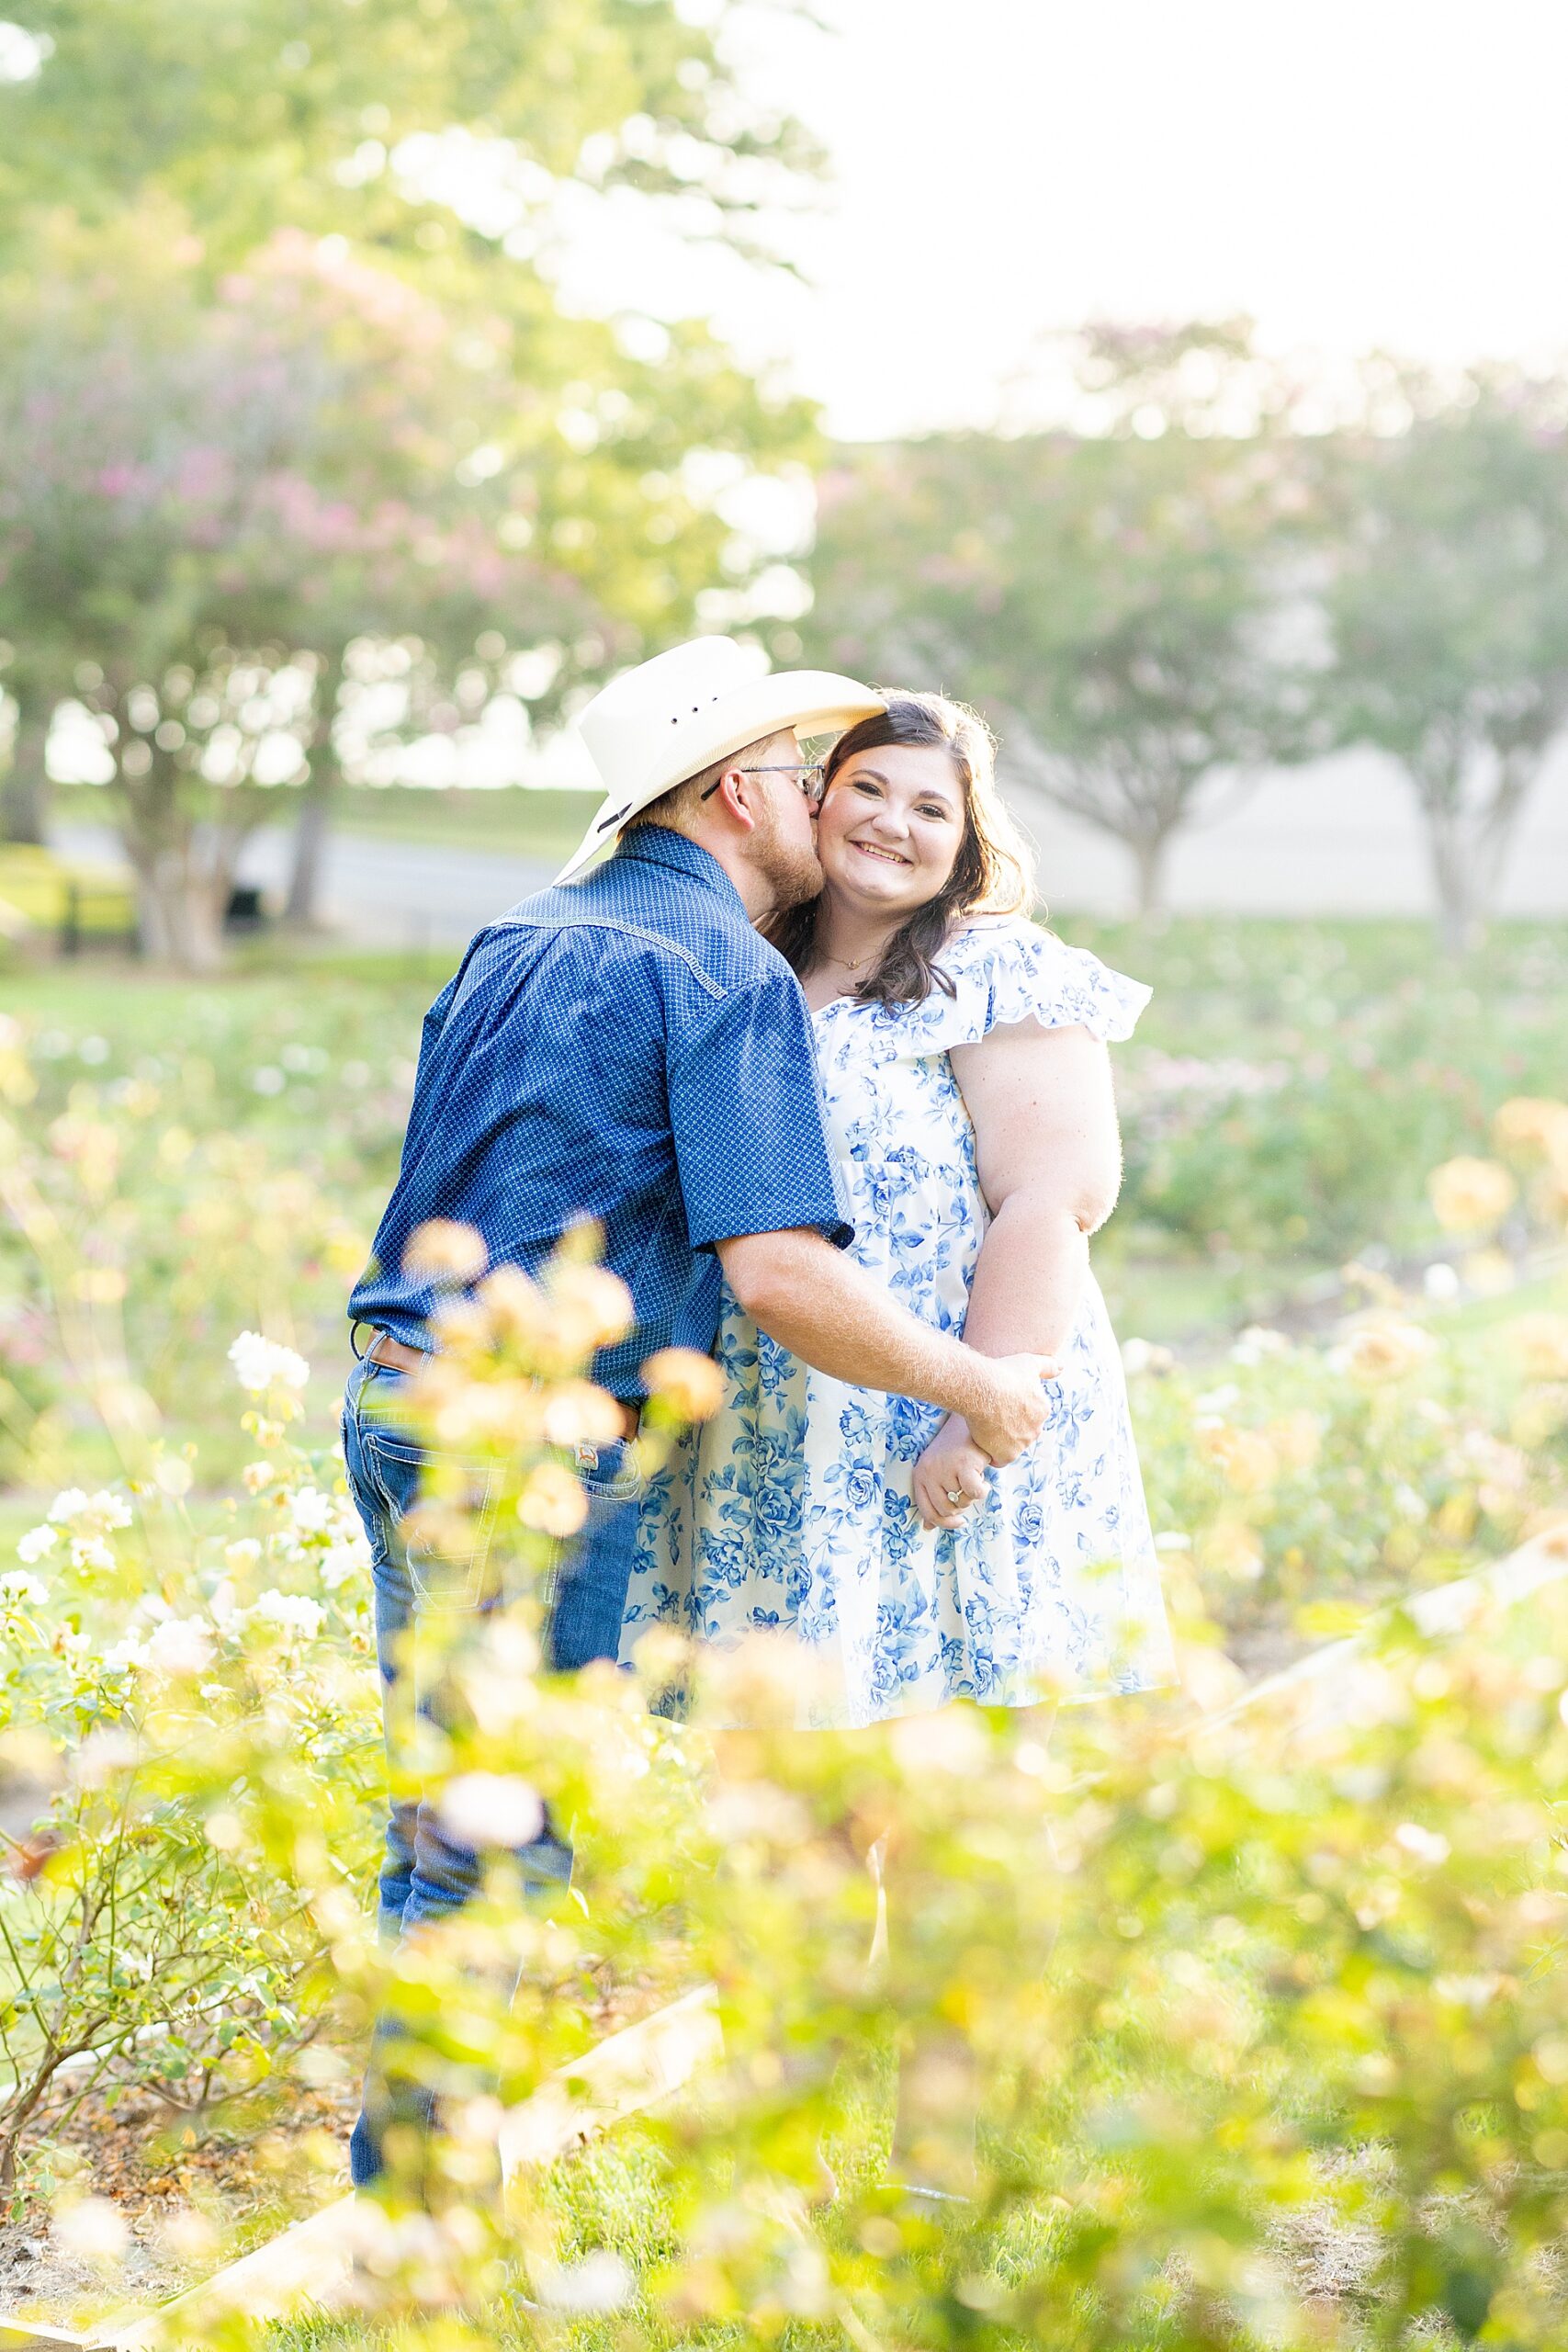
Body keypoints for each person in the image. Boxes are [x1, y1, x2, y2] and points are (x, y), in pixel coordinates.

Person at [340, 639, 1058, 2188]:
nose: (826, 806)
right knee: (501, 1834)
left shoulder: (517, 932)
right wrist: (972, 1382)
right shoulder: (720, 971)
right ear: (736, 795)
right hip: (532, 1446)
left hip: (394, 1411)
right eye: (807, 782)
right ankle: (417, 2216)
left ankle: (412, 2183)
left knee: (444, 1812)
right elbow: (783, 1271)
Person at [624, 690, 1175, 1727]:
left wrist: (977, 1423)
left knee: (943, 1751)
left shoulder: (995, 969)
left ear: (966, 846)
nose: (891, 821)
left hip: (946, 1401)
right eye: (867, 788)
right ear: (815, 804)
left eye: (931, 809)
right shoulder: (749, 960)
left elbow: (1053, 1201)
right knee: (781, 1745)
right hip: (778, 1408)